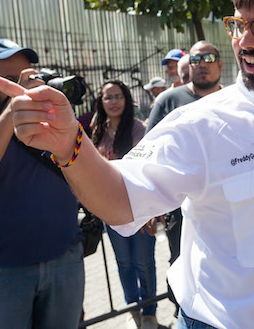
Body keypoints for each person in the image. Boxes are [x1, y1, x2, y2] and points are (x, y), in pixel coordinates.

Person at [0, 0, 254, 329]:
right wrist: (70, 144)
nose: (245, 42)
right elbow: (121, 202)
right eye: (239, 25)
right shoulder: (203, 123)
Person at [0, 39, 84, 328]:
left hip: (65, 260)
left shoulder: (50, 121)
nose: (21, 88)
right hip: (4, 269)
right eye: (9, 81)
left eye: (26, 78)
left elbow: (84, 164)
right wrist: (14, 108)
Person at [145, 39, 225, 316]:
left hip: (228, 205)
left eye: (208, 58)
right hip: (181, 207)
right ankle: (185, 314)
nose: (201, 65)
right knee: (182, 261)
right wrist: (148, 205)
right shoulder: (170, 100)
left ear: (221, 63)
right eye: (195, 60)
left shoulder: (235, 100)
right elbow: (148, 152)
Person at [91, 79, 156, 329]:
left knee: (143, 262)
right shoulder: (97, 128)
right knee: (124, 263)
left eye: (118, 96)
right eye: (108, 97)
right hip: (110, 210)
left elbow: (142, 170)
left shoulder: (138, 128)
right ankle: (133, 310)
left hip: (138, 208)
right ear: (101, 101)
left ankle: (149, 311)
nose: (113, 101)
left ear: (126, 99)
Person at [147, 41, 224, 130]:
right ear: (189, 66)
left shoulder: (234, 101)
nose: (203, 64)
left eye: (210, 58)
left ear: (220, 65)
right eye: (196, 59)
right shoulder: (167, 103)